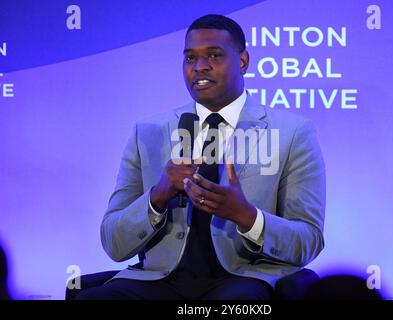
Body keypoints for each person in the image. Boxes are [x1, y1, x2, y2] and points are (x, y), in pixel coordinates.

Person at [76, 14, 325, 300]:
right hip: (159, 280)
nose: (200, 67)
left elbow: (309, 240)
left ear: (243, 61)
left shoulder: (292, 132)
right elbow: (113, 241)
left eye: (214, 55)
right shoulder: (148, 132)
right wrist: (156, 198)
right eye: (190, 58)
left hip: (244, 277)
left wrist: (248, 217)